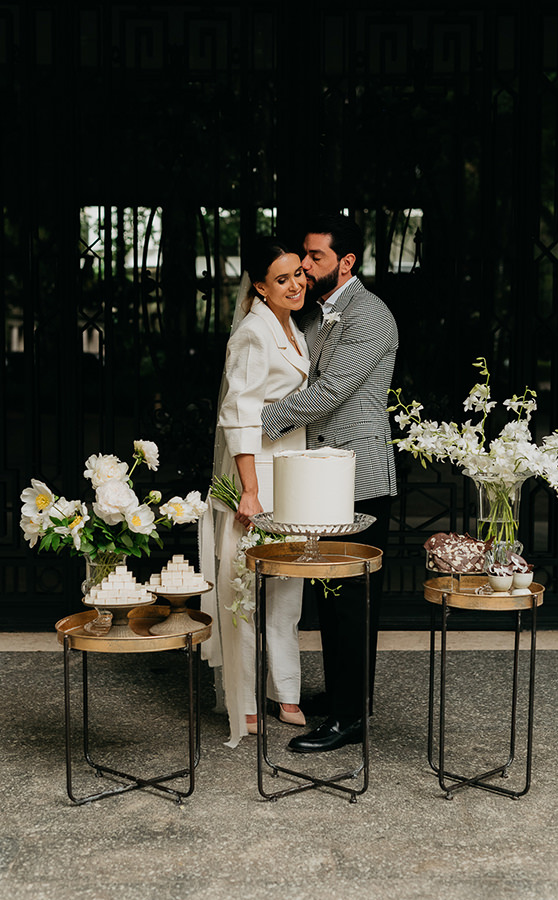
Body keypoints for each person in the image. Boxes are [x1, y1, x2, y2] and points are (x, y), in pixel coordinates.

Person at [261, 213, 398, 753]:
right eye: (303, 254)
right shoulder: (316, 312)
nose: (304, 265)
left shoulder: (369, 314)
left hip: (359, 476)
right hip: (319, 478)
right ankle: (346, 697)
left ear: (347, 262)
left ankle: (350, 718)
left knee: (352, 601)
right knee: (330, 596)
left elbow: (330, 391)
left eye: (315, 257)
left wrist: (261, 423)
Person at [210, 238, 310, 747]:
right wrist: (249, 490)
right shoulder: (253, 333)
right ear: (259, 287)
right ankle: (245, 700)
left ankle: (285, 690)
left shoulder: (293, 328)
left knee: (287, 588)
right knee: (244, 592)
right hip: (259, 479)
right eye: (282, 279)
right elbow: (239, 414)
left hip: (293, 477)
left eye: (298, 274)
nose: (295, 284)